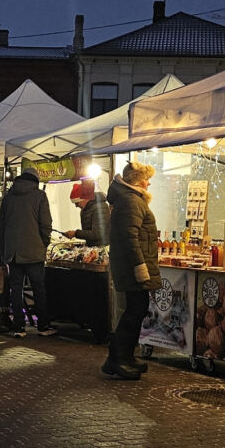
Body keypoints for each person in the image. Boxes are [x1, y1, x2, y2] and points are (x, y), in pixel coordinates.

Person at [103, 160, 161, 380]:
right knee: (135, 310)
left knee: (136, 310)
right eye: (146, 179)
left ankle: (125, 356)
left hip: (131, 266)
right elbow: (130, 238)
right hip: (133, 268)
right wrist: (140, 267)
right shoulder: (131, 201)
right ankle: (117, 358)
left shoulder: (131, 199)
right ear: (137, 181)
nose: (148, 183)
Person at [0, 168, 54, 338]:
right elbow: (46, 224)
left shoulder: (8, 197)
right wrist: (44, 243)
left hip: (13, 253)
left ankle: (19, 327)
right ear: (36, 180)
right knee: (38, 289)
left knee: (16, 290)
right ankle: (43, 326)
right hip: (34, 251)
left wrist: (4, 250)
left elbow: (1, 226)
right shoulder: (40, 196)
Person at [62, 179, 108, 246]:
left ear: (84, 199)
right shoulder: (84, 210)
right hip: (93, 247)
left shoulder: (100, 208)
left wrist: (75, 233)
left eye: (77, 203)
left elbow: (97, 234)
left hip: (103, 247)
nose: (76, 206)